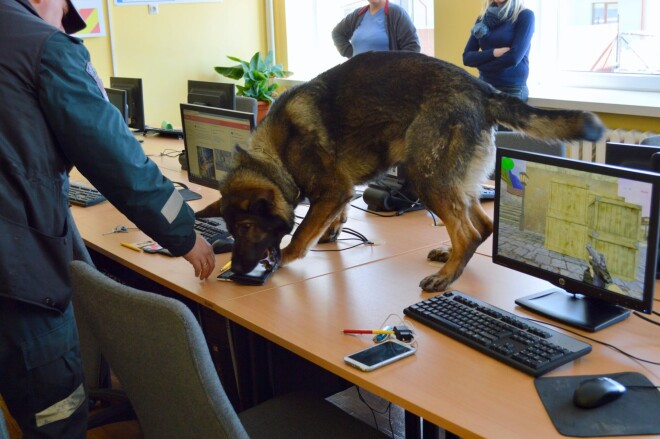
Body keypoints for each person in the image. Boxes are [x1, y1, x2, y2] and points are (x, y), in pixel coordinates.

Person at [0, 0, 216, 436]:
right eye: (66, 17)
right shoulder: (45, 47)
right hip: (18, 273)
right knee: (55, 417)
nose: (65, 29)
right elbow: (119, 161)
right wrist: (185, 234)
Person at [462, 0, 535, 101]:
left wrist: (482, 67)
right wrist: (494, 53)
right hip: (483, 86)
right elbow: (467, 57)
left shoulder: (525, 15)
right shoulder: (482, 20)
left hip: (512, 89)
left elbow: (513, 58)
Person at [332, 0, 421, 58]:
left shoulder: (397, 13)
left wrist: (394, 69)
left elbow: (413, 48)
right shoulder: (357, 14)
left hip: (386, 81)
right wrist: (352, 54)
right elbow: (337, 33)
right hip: (358, 78)